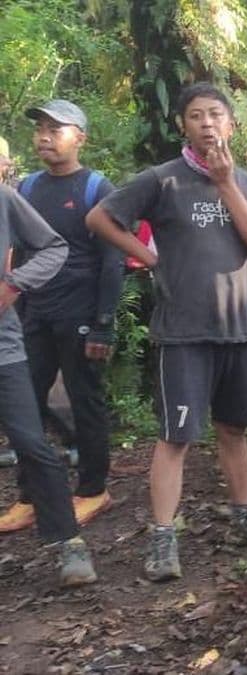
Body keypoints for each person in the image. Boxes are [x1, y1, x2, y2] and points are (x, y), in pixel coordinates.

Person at [86, 82, 247, 581]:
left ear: (231, 124)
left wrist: (225, 183)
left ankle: (243, 514)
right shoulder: (162, 179)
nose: (207, 123)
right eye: (196, 115)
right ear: (183, 125)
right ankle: (162, 536)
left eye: (215, 114)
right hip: (182, 332)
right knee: (175, 437)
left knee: (234, 429)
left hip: (240, 330)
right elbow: (100, 217)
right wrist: (148, 256)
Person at [0, 100, 121, 533]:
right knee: (26, 405)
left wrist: (104, 324)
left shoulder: (96, 188)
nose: (44, 137)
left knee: (84, 399)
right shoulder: (27, 188)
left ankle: (93, 489)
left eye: (56, 129)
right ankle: (30, 496)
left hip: (80, 312)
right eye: (40, 130)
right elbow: (19, 253)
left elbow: (112, 260)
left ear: (80, 138)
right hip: (33, 312)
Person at [0, 184, 96, 585]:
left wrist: (14, 284)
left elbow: (53, 247)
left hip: (3, 351)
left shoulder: (3, 199)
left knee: (31, 442)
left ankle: (69, 542)